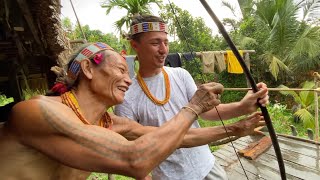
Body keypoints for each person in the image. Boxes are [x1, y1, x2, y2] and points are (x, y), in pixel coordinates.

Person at [0, 42, 229, 179]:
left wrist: (239, 128)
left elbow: (179, 136)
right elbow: (135, 159)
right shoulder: (38, 110)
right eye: (121, 70)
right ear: (88, 69)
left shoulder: (109, 122)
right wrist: (194, 107)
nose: (128, 81)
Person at [115, 15, 269, 180]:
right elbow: (133, 150)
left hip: (207, 166)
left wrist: (243, 107)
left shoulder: (181, 75)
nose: (163, 49)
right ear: (135, 45)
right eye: (155, 43)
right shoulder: (126, 97)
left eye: (166, 42)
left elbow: (206, 113)